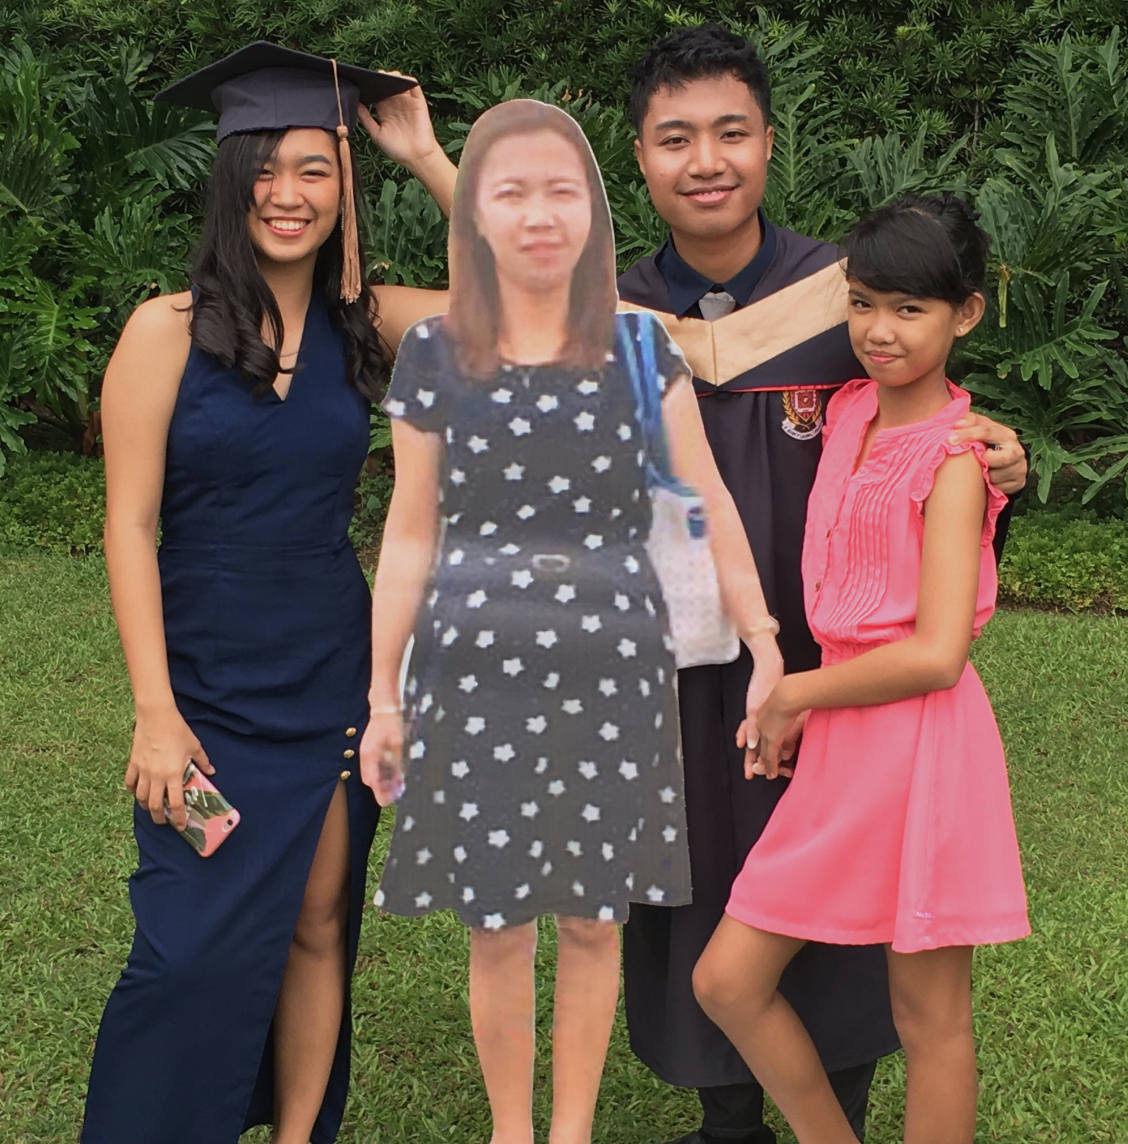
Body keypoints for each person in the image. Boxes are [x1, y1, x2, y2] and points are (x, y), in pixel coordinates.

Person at [614, 26, 1029, 1144]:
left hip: (838, 685)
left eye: (732, 132)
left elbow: (937, 423)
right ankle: (727, 1119)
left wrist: (1007, 460)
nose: (707, 161)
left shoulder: (835, 294)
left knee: (852, 927)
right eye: (676, 138)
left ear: (768, 141)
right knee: (703, 892)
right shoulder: (610, 312)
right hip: (675, 668)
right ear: (640, 155)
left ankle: (838, 1108)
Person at [359, 99, 784, 1144]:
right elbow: (408, 534)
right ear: (477, 214)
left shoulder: (641, 345)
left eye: (563, 190)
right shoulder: (434, 351)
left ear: (594, 208)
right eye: (510, 192)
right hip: (472, 674)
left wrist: (765, 639)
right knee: (497, 926)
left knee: (596, 920)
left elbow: (710, 498)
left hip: (614, 673)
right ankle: (514, 1130)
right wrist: (382, 696)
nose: (540, 214)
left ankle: (571, 1131)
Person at [83, 42, 457, 1144]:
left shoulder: (365, 321)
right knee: (183, 949)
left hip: (329, 673)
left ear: (345, 188)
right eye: (264, 168)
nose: (287, 194)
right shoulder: (164, 331)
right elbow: (128, 526)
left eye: (315, 169)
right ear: (229, 179)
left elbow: (532, 304)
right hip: (203, 688)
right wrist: (155, 710)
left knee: (318, 923)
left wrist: (428, 159)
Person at [693, 193, 1030, 1144]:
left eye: (910, 309)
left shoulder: (958, 458)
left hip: (920, 744)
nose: (880, 331)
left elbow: (937, 654)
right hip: (845, 740)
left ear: (966, 313)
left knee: (930, 1016)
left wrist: (795, 692)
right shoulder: (844, 413)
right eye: (864, 304)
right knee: (727, 980)